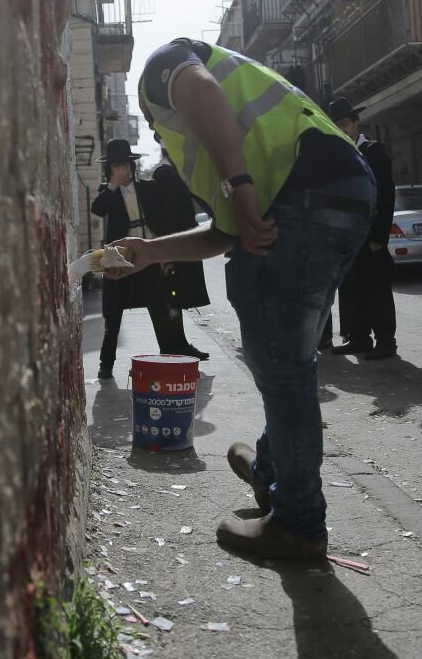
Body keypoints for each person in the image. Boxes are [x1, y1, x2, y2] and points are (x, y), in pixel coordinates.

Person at [108, 38, 373, 560]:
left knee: (284, 369)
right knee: (288, 359)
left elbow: (198, 88)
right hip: (342, 192)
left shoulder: (162, 76)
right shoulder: (222, 143)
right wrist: (148, 252)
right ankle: (272, 473)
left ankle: (297, 522)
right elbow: (227, 235)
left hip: (300, 195)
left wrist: (241, 186)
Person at [91, 139, 209, 380]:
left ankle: (170, 355)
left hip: (147, 256)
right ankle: (106, 363)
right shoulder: (108, 193)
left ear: (133, 165)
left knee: (161, 307)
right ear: (110, 169)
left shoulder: (147, 188)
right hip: (120, 259)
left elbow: (162, 221)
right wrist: (112, 184)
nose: (122, 169)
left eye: (125, 164)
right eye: (116, 165)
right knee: (113, 314)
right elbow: (97, 209)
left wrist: (164, 255)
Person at [323, 97, 398, 360]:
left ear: (355, 123)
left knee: (377, 287)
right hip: (347, 234)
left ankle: (386, 341)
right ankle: (358, 337)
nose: (342, 129)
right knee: (351, 287)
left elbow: (386, 195)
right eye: (336, 125)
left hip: (371, 234)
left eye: (344, 123)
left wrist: (379, 235)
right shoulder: (336, 156)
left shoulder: (374, 151)